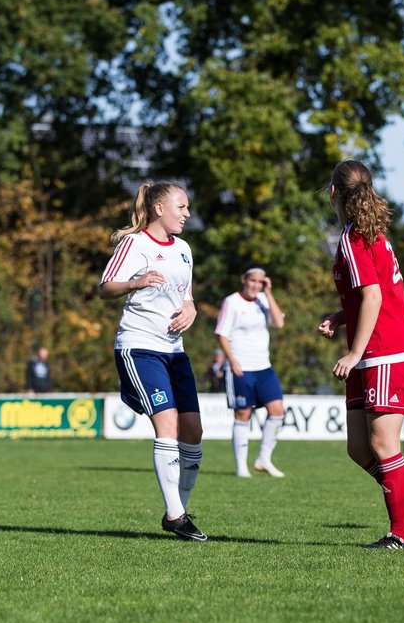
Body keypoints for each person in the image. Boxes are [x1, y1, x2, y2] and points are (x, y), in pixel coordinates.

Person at [317, 160, 404, 549]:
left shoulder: (356, 236)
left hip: (384, 352)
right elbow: (371, 296)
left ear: (332, 193)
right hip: (371, 350)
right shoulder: (362, 232)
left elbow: (374, 296)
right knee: (359, 449)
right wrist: (342, 317)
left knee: (382, 446)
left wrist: (355, 351)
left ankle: (399, 534)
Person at [99, 181, 206, 541]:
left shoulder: (184, 249)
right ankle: (176, 515)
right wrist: (137, 281)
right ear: (160, 209)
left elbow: (185, 294)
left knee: (193, 431)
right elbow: (106, 287)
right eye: (182, 207)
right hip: (140, 346)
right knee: (169, 424)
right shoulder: (135, 243)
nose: (187, 214)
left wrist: (191, 309)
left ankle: (178, 510)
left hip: (175, 350)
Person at [216, 264, 288, 478]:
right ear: (244, 280)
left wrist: (269, 292)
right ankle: (241, 466)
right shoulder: (232, 302)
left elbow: (278, 323)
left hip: (263, 367)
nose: (256, 285)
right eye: (253, 280)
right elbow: (221, 334)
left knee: (277, 410)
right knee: (243, 413)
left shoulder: (264, 300)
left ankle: (264, 459)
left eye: (260, 282)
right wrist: (232, 361)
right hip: (241, 367)